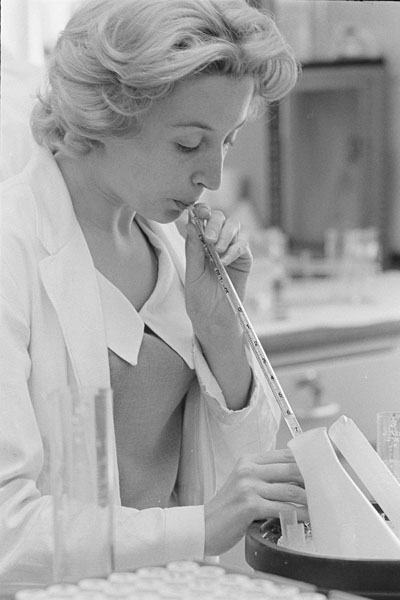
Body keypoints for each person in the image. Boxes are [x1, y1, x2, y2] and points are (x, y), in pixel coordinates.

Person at [0, 0, 306, 590]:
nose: (213, 176)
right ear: (106, 116)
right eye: (189, 144)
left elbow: (234, 486)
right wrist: (198, 528)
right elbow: (8, 534)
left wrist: (222, 333)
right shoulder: (11, 250)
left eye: (228, 141)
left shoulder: (171, 243)